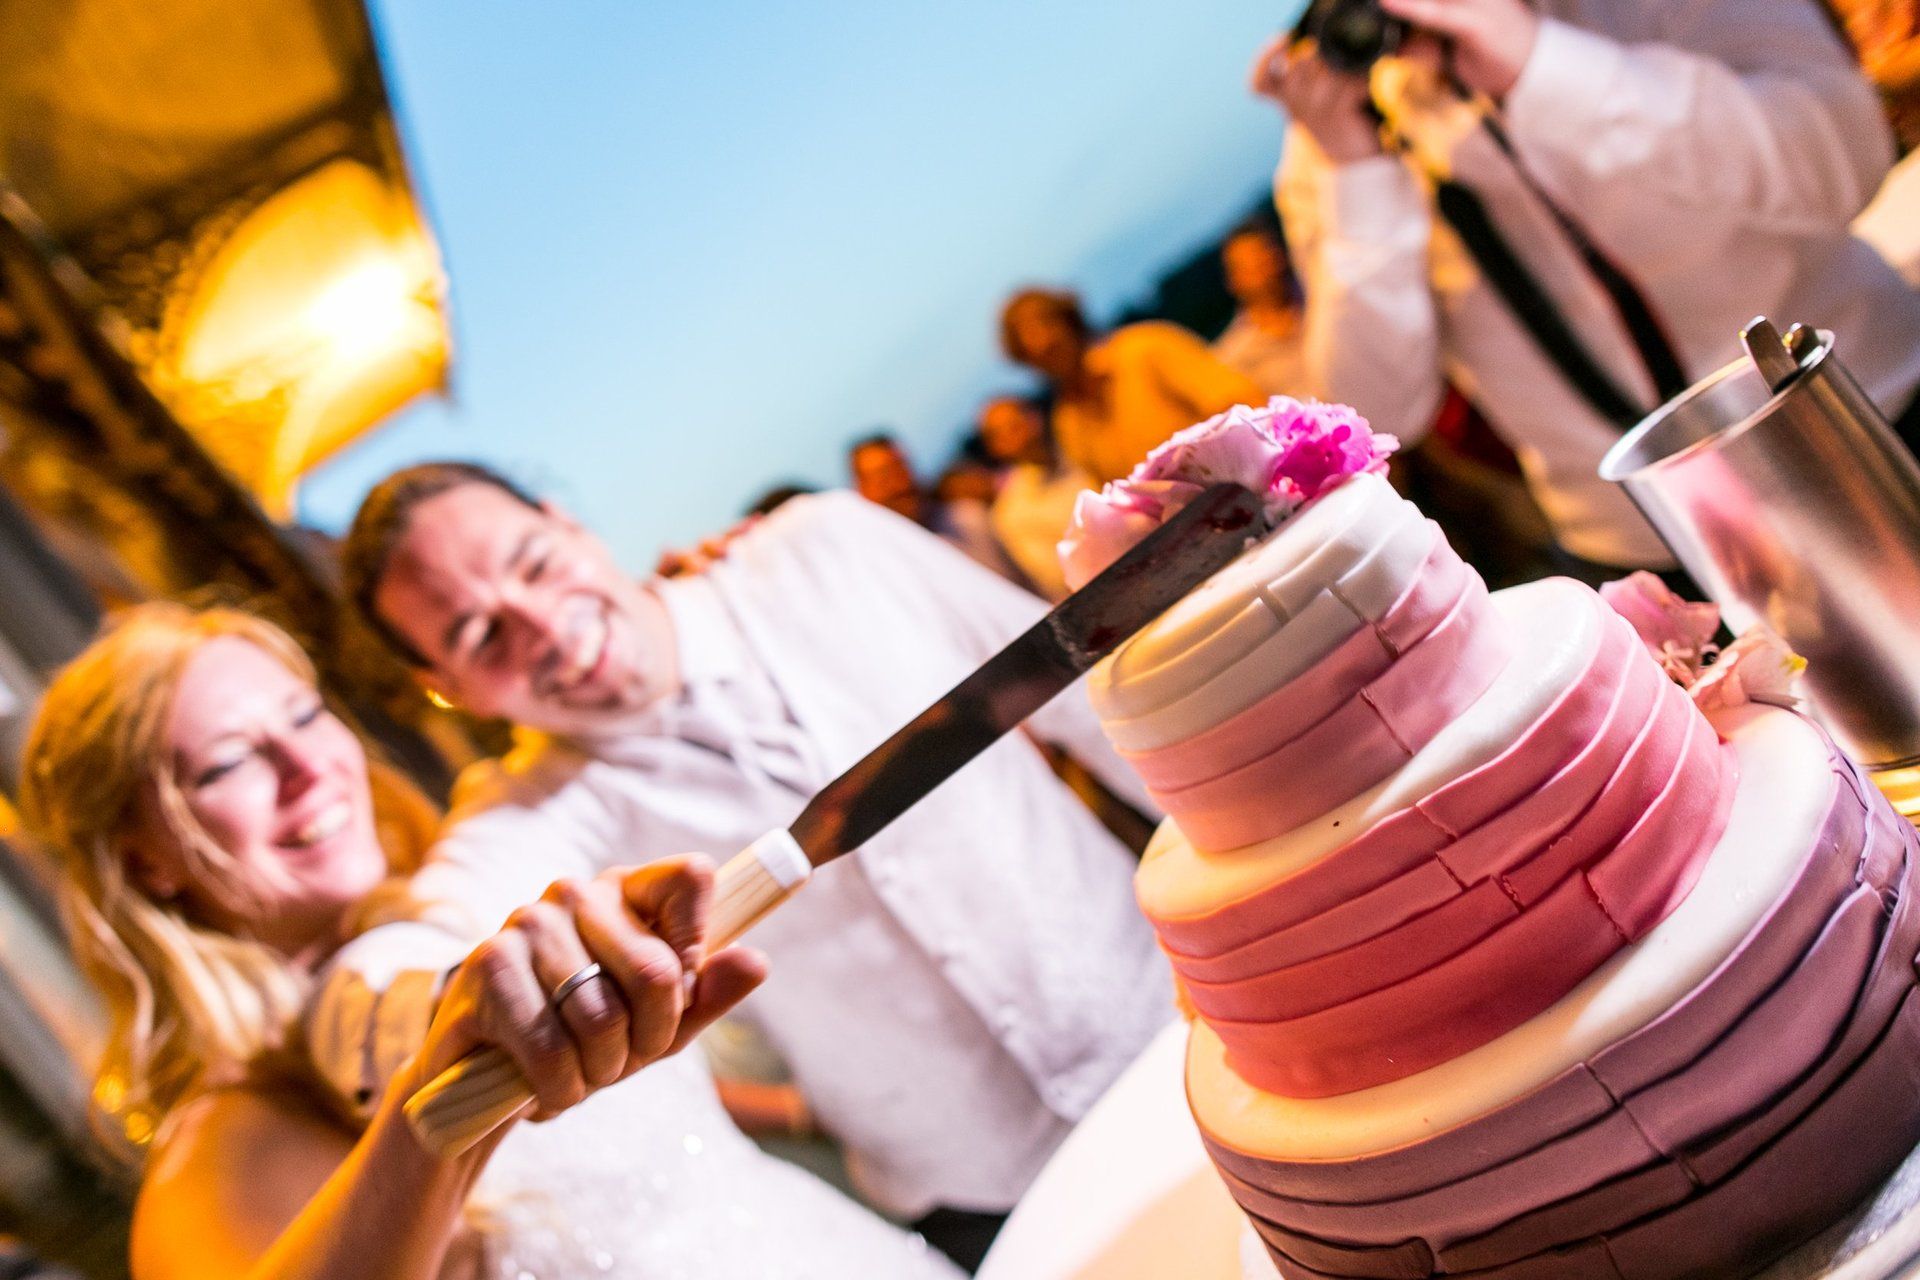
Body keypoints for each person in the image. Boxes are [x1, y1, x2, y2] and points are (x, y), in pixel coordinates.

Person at [318, 463, 1173, 1272]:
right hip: (982, 1192)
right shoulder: (534, 813)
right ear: (446, 686)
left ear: (566, 523)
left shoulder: (827, 548)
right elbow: (409, 954)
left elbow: (1102, 694)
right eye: (479, 635)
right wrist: (439, 1006)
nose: (541, 625)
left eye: (535, 564)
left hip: (1178, 1010)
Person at [19, 603, 960, 1280]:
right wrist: (443, 1088)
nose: (306, 765)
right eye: (228, 763)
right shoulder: (224, 1138)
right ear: (145, 863)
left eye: (303, 714)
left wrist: (789, 1109)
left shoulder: (459, 895)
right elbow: (409, 1020)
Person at [1254, 0, 1920, 579]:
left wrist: (1543, 66)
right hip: (1644, 543)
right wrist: (1359, 179)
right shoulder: (1329, 147)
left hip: (1873, 412)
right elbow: (1379, 413)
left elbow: (1849, 157)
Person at [998, 288, 1264, 485]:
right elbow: (1120, 495)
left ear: (1071, 324)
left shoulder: (1145, 349)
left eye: (1052, 347)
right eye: (1036, 358)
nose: (1050, 360)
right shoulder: (1068, 421)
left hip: (1245, 483)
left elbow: (1249, 405)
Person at [848, 431, 1024, 584]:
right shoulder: (880, 570)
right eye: (883, 477)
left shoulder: (968, 516)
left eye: (900, 467)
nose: (900, 484)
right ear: (862, 490)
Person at [977, 396, 1093, 601]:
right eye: (1003, 432)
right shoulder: (1011, 514)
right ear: (995, 447)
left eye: (1018, 422)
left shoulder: (1081, 443)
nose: (1021, 434)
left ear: (1036, 417)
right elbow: (1059, 576)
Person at [1212, 222, 1309, 397]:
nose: (1268, 268)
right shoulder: (1234, 359)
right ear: (1234, 281)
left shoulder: (1320, 305)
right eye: (1253, 265)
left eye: (1268, 255)